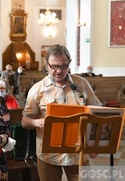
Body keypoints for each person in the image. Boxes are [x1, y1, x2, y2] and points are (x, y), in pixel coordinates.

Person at [21, 44, 102, 181]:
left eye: (63, 66)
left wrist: (94, 143)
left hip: (78, 152)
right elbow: (25, 121)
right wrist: (36, 122)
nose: (59, 71)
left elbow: (96, 114)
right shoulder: (37, 89)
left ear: (69, 64)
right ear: (46, 65)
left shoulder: (82, 84)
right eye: (54, 66)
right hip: (48, 154)